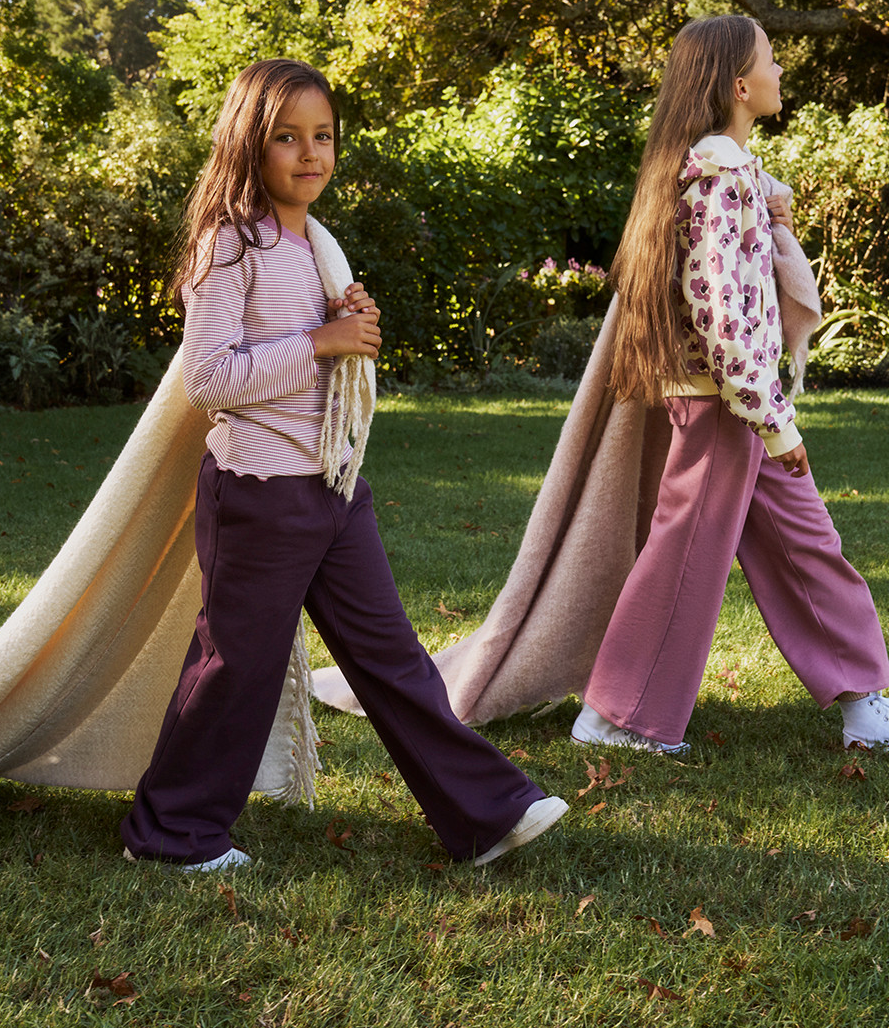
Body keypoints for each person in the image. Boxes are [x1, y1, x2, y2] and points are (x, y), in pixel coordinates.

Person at [121, 58, 566, 870]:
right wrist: (322, 341)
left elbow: (311, 354)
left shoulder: (315, 243)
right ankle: (170, 833)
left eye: (322, 136)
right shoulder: (233, 243)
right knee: (237, 670)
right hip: (260, 490)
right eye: (287, 137)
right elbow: (210, 378)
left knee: (391, 656)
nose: (310, 153)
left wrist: (343, 323)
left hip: (330, 484)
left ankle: (487, 813)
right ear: (248, 145)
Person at [570, 15, 889, 757]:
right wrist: (772, 420)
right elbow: (723, 316)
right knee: (685, 559)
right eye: (773, 60)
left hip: (743, 404)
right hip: (727, 404)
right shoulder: (716, 174)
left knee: (808, 545)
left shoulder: (731, 172)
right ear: (739, 86)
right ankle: (615, 718)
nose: (783, 72)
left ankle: (863, 709)